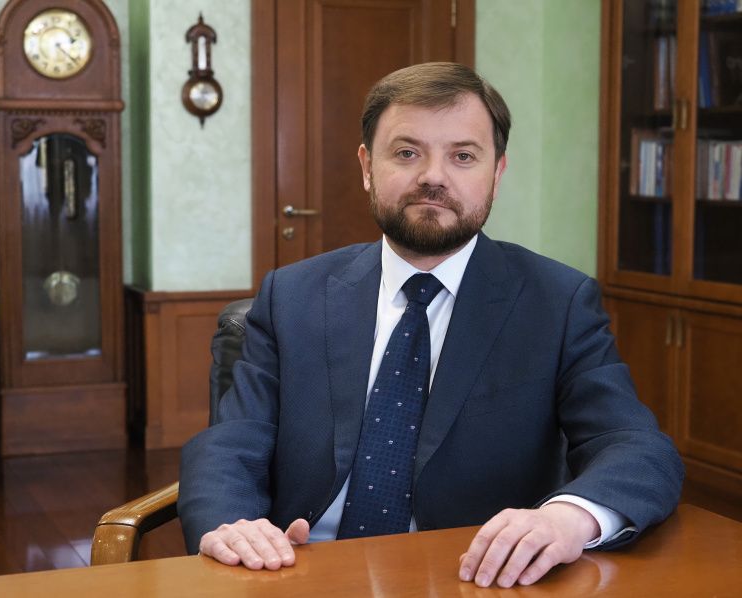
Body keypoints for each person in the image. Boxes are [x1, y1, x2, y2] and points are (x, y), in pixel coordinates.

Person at [178, 62, 683, 588]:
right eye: (406, 153)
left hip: (475, 576)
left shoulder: (558, 303)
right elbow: (231, 442)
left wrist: (567, 518)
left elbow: (636, 447)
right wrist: (234, 527)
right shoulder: (293, 294)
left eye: (463, 156)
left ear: (497, 172)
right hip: (296, 572)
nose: (433, 177)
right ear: (367, 166)